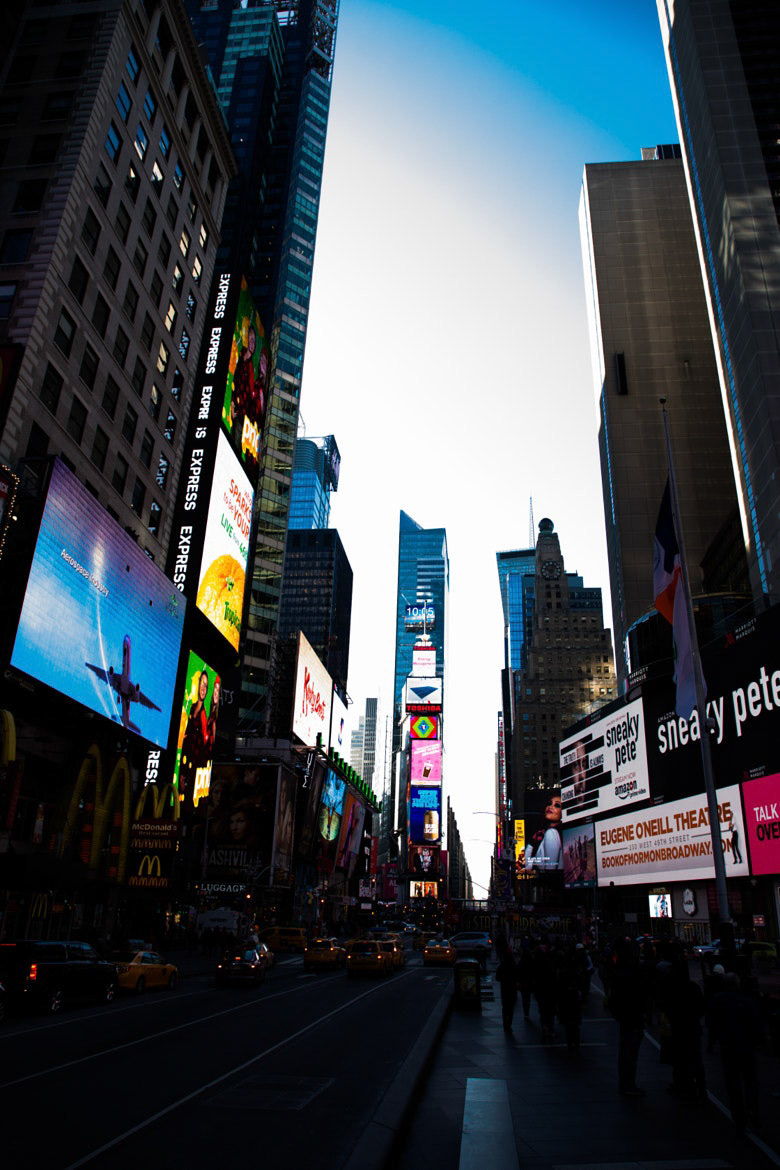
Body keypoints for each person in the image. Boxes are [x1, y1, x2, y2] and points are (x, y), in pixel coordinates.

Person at [706, 971, 763, 1135]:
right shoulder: (746, 1001)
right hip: (746, 1047)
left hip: (728, 1047)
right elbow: (756, 1023)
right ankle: (753, 1110)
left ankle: (739, 1116)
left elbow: (711, 1023)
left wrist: (713, 1040)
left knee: (733, 1082)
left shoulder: (718, 1000)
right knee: (750, 1081)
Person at [609, 938, 650, 1096]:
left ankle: (626, 1083)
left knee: (626, 1051)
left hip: (626, 1015)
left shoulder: (620, 969)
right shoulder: (632, 971)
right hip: (632, 1015)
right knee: (630, 1051)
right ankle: (628, 1084)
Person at [525, 793, 563, 870]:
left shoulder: (551, 833)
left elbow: (550, 871)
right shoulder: (545, 834)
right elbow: (526, 866)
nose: (550, 807)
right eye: (549, 803)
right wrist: (532, 842)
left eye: (557, 805)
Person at [495, 937, 519, 1032]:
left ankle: (505, 1022)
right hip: (512, 988)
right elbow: (517, 976)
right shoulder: (513, 966)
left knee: (505, 1007)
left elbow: (497, 978)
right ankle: (509, 1023)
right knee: (511, 1007)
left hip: (504, 989)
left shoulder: (502, 966)